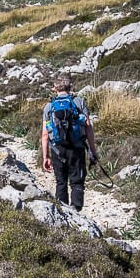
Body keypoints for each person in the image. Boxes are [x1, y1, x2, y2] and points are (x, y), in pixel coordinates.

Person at [41, 75, 99, 211]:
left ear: (55, 88)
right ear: (70, 87)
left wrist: (46, 157)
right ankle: (76, 210)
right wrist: (92, 150)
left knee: (61, 182)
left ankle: (62, 211)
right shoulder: (79, 102)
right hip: (77, 148)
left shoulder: (49, 106)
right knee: (77, 181)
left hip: (57, 149)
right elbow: (88, 126)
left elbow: (45, 134)